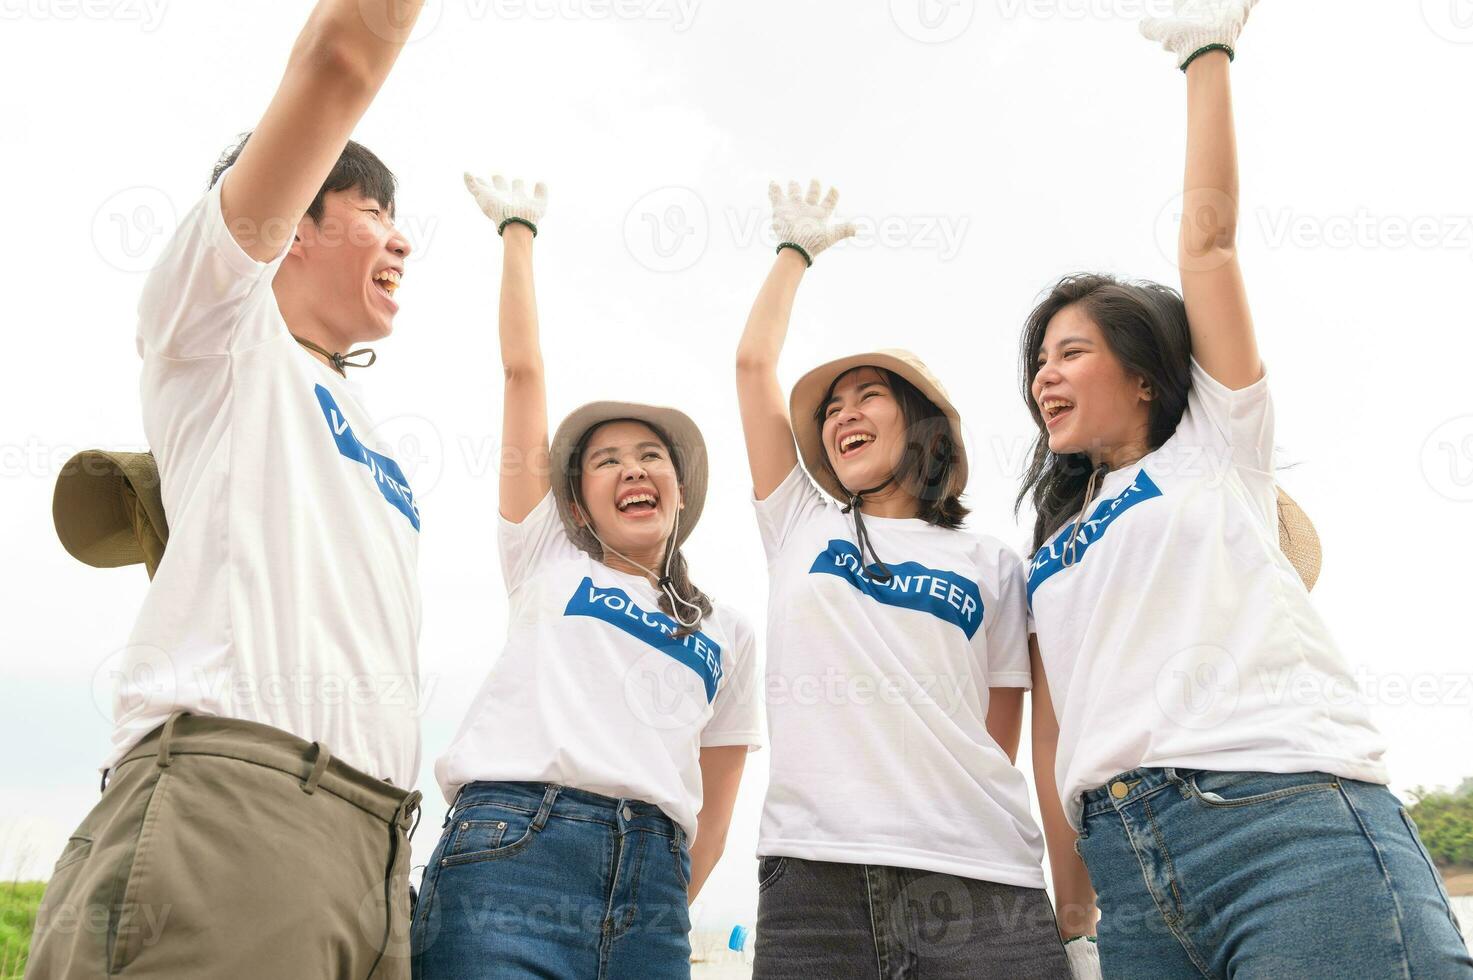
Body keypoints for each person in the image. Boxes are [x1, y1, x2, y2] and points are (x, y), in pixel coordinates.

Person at [1020, 2, 1473, 975]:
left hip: (1284, 824)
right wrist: (1072, 895)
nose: (1042, 377)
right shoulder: (1054, 542)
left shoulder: (1213, 450)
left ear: (1144, 371)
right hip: (1128, 864)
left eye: (1069, 351)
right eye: (1036, 361)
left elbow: (1210, 248)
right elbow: (1054, 716)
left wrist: (1205, 57)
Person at [26, 2, 431, 977]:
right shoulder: (216, 326)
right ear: (291, 224)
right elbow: (338, 59)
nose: (401, 240)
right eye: (374, 211)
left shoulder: (372, 435)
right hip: (239, 812)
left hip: (376, 849)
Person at [410, 175, 763, 980]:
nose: (632, 470)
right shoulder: (546, 557)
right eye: (607, 461)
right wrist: (518, 233)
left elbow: (717, 795)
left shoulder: (728, 632)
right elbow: (522, 377)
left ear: (679, 490)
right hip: (513, 853)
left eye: (650, 458)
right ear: (575, 500)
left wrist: (660, 893)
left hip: (650, 887)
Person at [735, 180, 1072, 977]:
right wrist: (794, 254)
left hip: (980, 880)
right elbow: (752, 366)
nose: (843, 413)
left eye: (868, 396)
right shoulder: (799, 523)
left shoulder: (990, 563)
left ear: (918, 422)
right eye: (831, 408)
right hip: (813, 881)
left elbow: (996, 733)